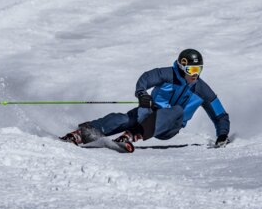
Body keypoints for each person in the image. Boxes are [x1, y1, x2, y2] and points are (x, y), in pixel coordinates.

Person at [60, 49, 230, 148]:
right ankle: (82, 134)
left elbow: (220, 115)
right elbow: (146, 78)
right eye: (191, 70)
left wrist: (222, 135)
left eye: (199, 70)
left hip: (170, 126)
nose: (196, 75)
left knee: (177, 110)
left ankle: (135, 134)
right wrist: (142, 94)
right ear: (181, 67)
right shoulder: (167, 74)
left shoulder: (202, 90)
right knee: (125, 118)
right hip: (150, 112)